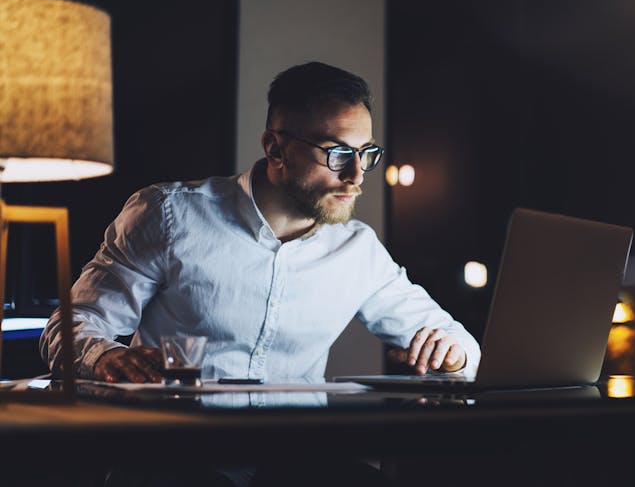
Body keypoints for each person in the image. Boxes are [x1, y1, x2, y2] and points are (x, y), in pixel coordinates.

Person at [39, 61, 481, 486]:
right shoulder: (167, 215)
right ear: (275, 149)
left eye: (366, 153)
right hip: (174, 458)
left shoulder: (358, 249)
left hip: (298, 465)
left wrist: (452, 352)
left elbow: (460, 344)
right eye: (338, 153)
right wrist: (104, 357)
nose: (356, 176)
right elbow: (68, 327)